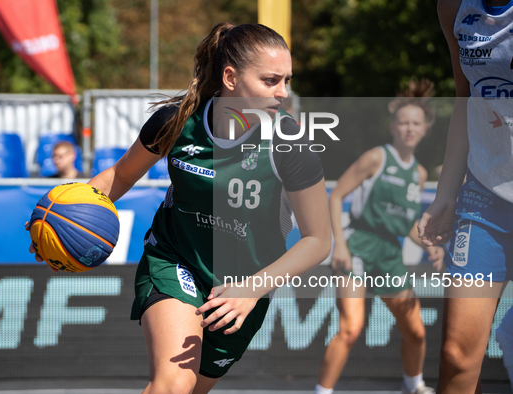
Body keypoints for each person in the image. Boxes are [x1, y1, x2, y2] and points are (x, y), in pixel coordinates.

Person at [30, 22, 331, 394]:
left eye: (287, 80)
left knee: (192, 390)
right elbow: (119, 178)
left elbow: (318, 240)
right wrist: (55, 218)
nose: (283, 92)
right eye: (271, 80)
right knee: (173, 385)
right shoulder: (177, 122)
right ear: (231, 77)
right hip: (175, 259)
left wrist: (252, 289)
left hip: (241, 287)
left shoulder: (290, 144)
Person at [315, 80, 445, 394]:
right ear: (393, 126)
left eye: (416, 123)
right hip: (358, 245)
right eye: (403, 122)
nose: (409, 128)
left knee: (415, 331)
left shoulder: (420, 173)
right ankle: (322, 391)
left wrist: (431, 245)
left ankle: (413, 386)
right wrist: (340, 246)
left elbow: (407, 223)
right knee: (350, 328)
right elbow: (335, 197)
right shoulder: (376, 158)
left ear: (425, 128)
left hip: (390, 253)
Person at [417, 0, 513, 393]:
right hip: (484, 192)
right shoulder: (453, 7)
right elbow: (465, 97)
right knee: (456, 355)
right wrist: (444, 196)